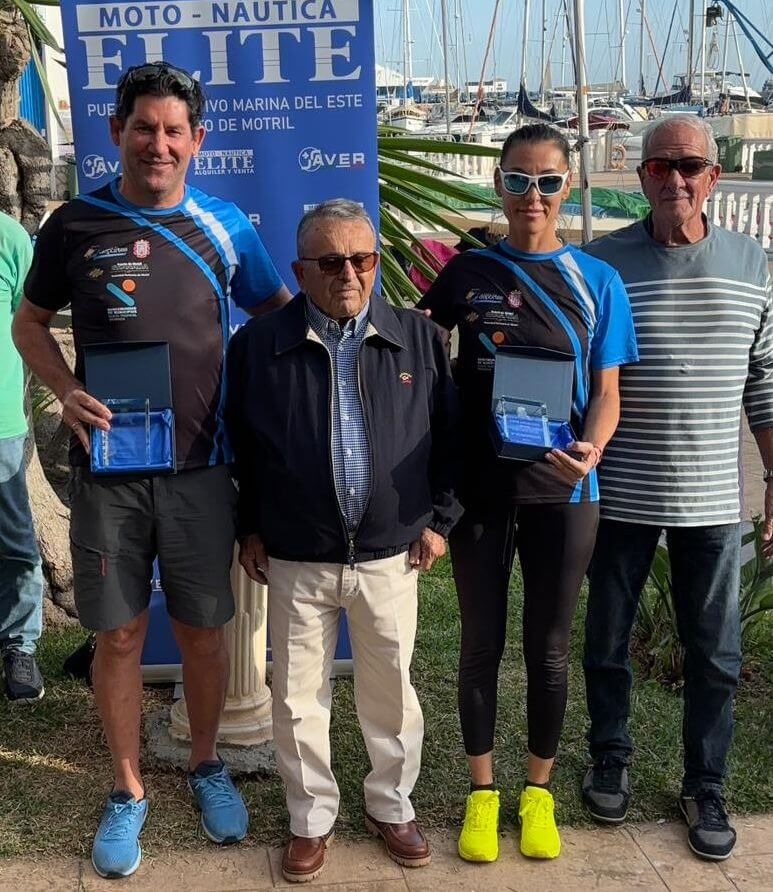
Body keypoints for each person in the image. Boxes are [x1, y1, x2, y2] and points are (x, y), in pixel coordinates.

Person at [12, 61, 291, 879]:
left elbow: (276, 321)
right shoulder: (74, 223)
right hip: (110, 472)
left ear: (196, 140)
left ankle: (205, 764)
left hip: (205, 469)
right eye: (144, 128)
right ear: (116, 132)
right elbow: (30, 325)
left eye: (174, 131)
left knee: (206, 633)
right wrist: (65, 389)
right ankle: (128, 789)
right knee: (121, 632)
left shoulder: (228, 224)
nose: (158, 144)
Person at [417, 123, 638, 863]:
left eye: (546, 181)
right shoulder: (466, 273)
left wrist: (592, 449)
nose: (531, 196)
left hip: (567, 489)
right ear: (498, 185)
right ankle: (482, 795)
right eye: (517, 180)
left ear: (566, 186)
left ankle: (535, 793)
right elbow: (414, 355)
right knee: (480, 646)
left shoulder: (596, 280)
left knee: (547, 650)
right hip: (480, 490)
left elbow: (606, 392)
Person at [226, 199, 462, 884]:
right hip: (296, 555)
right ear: (301, 270)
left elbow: (450, 439)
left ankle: (390, 805)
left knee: (390, 689)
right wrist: (248, 527)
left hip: (391, 553)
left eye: (361, 259)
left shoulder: (417, 338)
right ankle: (310, 820)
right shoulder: (257, 346)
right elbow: (236, 447)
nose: (348, 274)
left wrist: (439, 521)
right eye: (330, 262)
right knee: (298, 698)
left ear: (375, 262)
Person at [581, 114, 773, 862]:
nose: (675, 179)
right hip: (617, 491)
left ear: (713, 177)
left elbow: (764, 385)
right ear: (641, 177)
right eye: (660, 166)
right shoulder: (602, 263)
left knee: (715, 654)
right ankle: (609, 757)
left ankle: (705, 782)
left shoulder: (751, 264)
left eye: (690, 165)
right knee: (605, 642)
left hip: (710, 503)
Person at [0, 210, 44, 703]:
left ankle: (20, 645)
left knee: (16, 545)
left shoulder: (10, 238)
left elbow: (29, 322)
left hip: (2, 428)